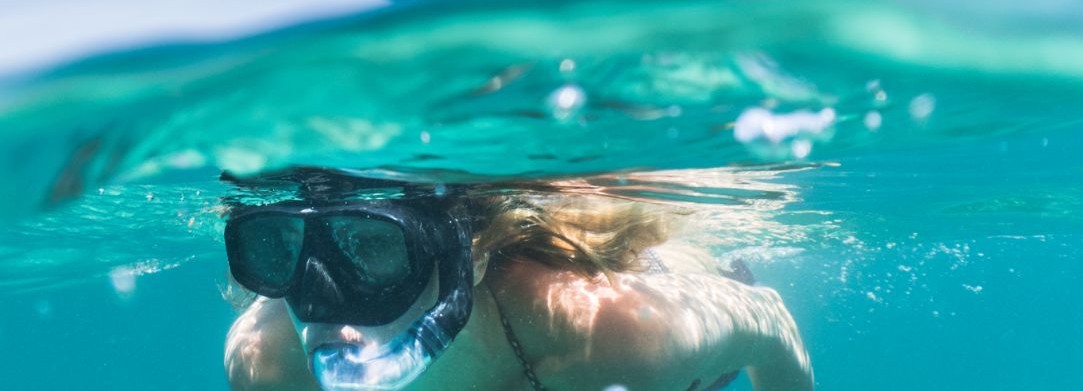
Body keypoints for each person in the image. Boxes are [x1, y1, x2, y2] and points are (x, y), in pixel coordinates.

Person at [221, 168, 813, 390]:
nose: (320, 300)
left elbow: (773, 323)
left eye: (375, 247)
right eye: (276, 251)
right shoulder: (266, 363)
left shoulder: (613, 331)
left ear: (469, 257)